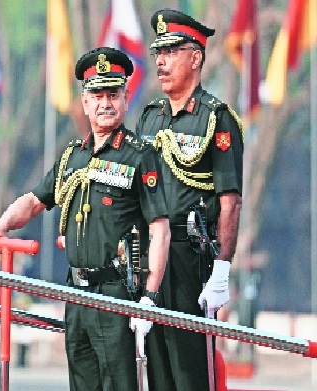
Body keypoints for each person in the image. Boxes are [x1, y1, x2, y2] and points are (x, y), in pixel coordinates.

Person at [0, 47, 171, 390]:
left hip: (117, 293)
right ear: (85, 102)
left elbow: (160, 231)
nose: (105, 103)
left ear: (126, 99)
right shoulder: (72, 157)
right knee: (81, 384)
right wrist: (0, 227)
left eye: (113, 94)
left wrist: (149, 300)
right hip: (77, 291)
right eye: (97, 95)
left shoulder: (140, 157)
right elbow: (33, 201)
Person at [134, 9, 243, 391]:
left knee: (190, 371)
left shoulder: (216, 118)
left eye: (171, 52)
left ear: (195, 58)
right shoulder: (149, 118)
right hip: (151, 256)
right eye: (157, 54)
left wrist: (222, 271)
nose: (160, 62)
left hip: (191, 259)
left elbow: (230, 200)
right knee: (158, 368)